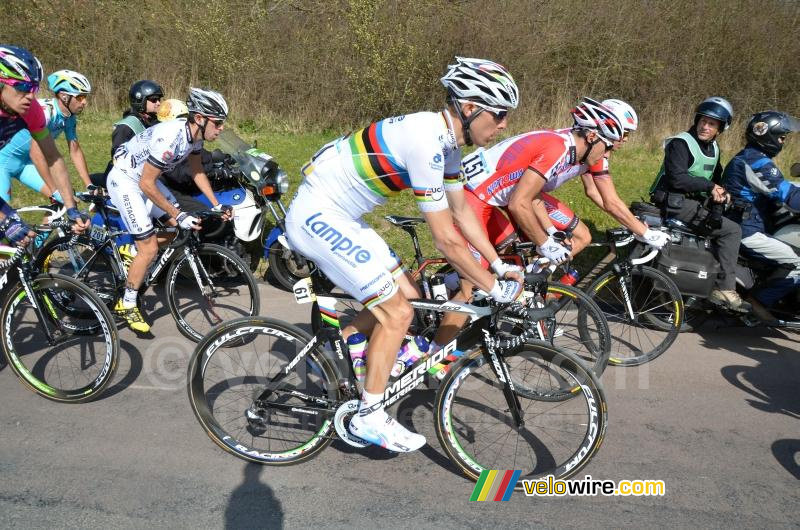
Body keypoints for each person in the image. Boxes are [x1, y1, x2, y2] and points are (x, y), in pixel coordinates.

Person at [284, 57, 523, 453]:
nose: (503, 125)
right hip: (316, 217)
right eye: (498, 115)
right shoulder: (426, 142)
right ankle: (369, 416)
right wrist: (492, 287)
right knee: (399, 313)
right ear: (469, 108)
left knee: (410, 296)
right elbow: (446, 238)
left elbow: (463, 211)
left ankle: (335, 352)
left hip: (342, 216)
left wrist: (496, 265)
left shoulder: (445, 143)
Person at [432, 97, 670, 348]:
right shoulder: (561, 149)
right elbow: (520, 203)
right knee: (472, 284)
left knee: (511, 250)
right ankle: (437, 357)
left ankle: (512, 299)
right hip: (474, 197)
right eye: (611, 144)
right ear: (594, 136)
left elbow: (532, 197)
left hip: (493, 197)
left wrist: (549, 233)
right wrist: (546, 242)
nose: (610, 153)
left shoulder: (578, 148)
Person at [106, 87, 232, 333]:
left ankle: (132, 251)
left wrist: (216, 204)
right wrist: (178, 213)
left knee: (181, 231)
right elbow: (145, 184)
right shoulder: (171, 138)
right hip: (126, 181)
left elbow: (196, 171)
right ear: (199, 118)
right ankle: (127, 302)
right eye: (217, 123)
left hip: (145, 180)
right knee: (150, 246)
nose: (221, 128)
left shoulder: (194, 137)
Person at [649, 97, 750, 312]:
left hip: (690, 200)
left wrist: (725, 193)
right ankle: (725, 287)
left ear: (720, 129)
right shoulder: (681, 143)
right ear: (696, 121)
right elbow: (677, 178)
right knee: (732, 231)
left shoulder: (713, 148)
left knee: (726, 219)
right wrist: (709, 186)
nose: (705, 126)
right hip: (672, 200)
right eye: (703, 121)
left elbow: (717, 177)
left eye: (712, 124)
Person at [0, 45, 88, 230]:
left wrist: (70, 206)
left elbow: (53, 157)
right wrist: (4, 218)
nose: (31, 96)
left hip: (22, 164)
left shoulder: (32, 111)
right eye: (23, 87)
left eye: (34, 87)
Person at [722, 111, 800, 319]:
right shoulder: (755, 162)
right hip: (746, 230)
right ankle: (757, 302)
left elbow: (775, 191)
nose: (783, 141)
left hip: (748, 223)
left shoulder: (753, 157)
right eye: (782, 136)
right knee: (798, 262)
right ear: (768, 135)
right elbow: (788, 195)